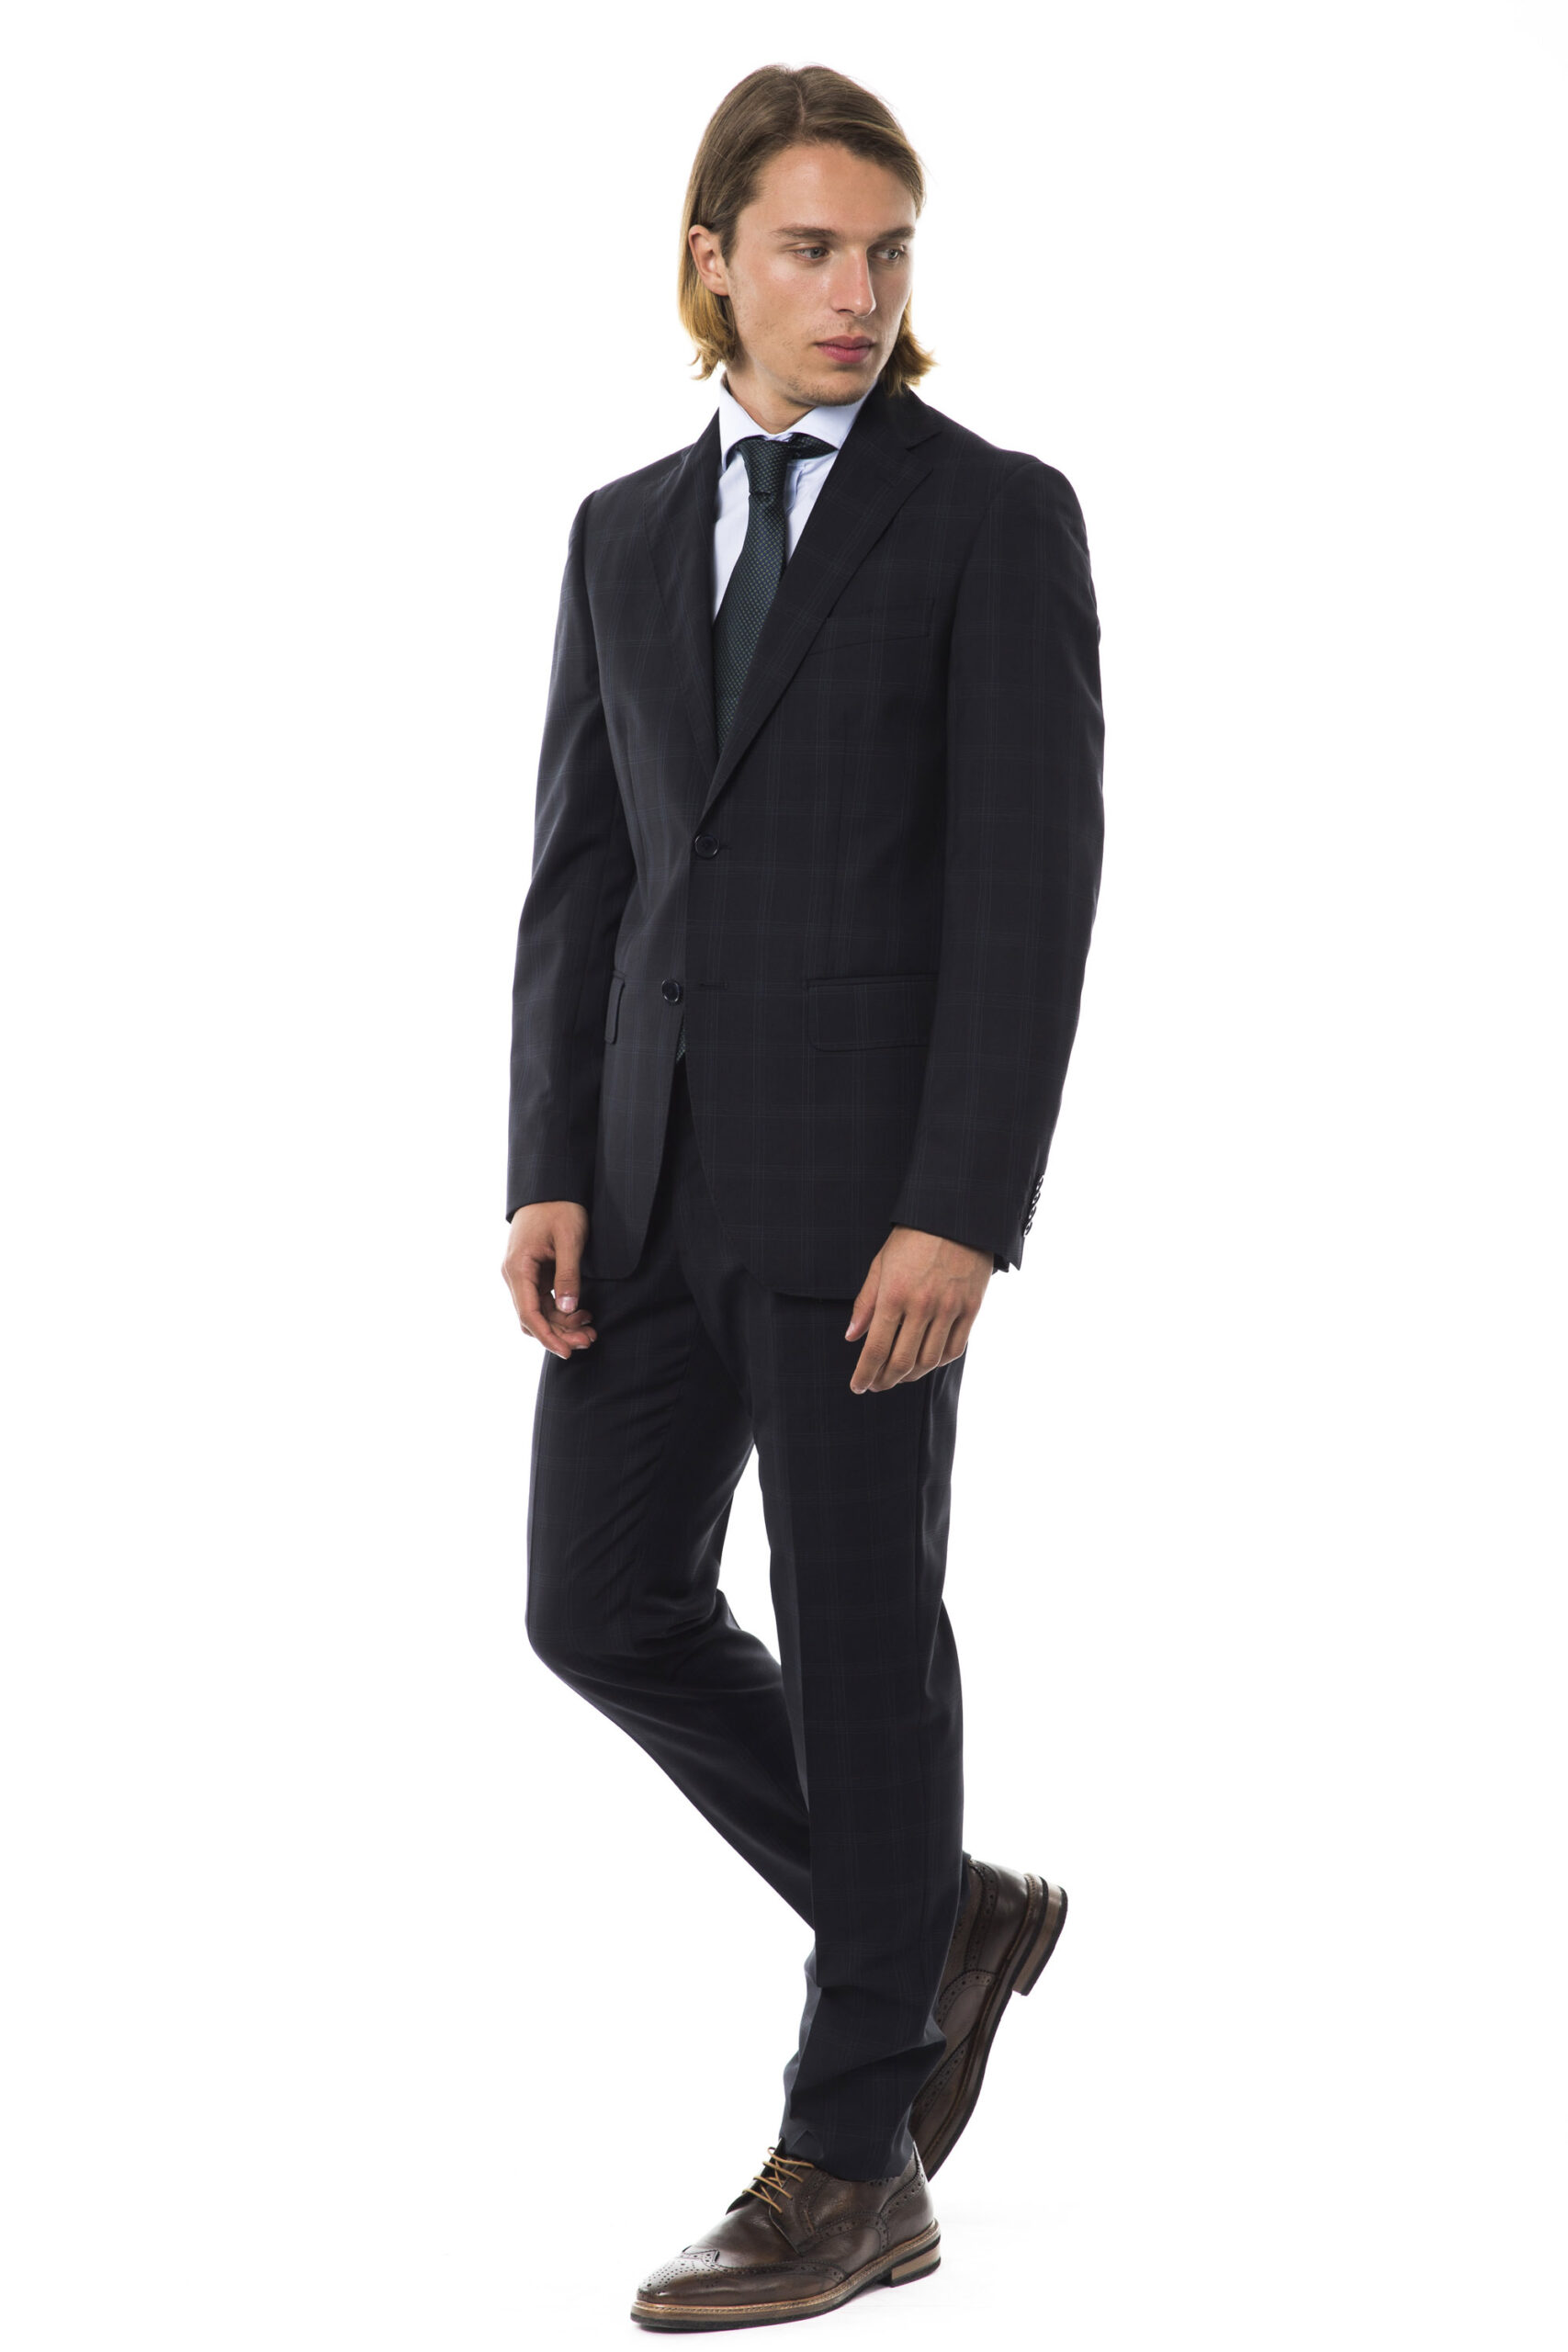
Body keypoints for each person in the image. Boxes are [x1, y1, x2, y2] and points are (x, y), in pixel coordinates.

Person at [502, 62, 1104, 2330]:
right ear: (712, 261)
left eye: (886, 252)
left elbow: (1030, 886)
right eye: (811, 249)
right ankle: (937, 1910)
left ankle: (851, 2160)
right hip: (645, 1190)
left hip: (869, 1211)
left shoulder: (987, 516)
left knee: (859, 1645)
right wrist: (547, 1163)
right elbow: (582, 871)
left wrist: (961, 1202)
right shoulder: (618, 533)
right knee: (595, 1604)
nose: (855, 292)